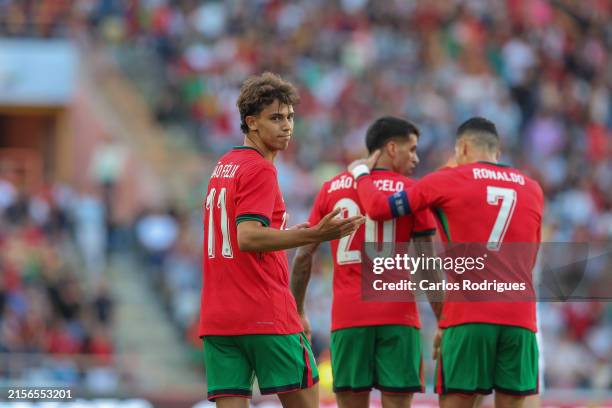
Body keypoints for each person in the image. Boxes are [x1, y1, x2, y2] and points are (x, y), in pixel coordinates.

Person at [348, 117, 544, 408]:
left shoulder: (447, 180)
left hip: (468, 316)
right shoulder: (532, 189)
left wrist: (362, 173)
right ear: (497, 153)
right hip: (520, 318)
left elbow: (378, 209)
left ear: (463, 148)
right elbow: (531, 257)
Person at [199, 72, 364, 408]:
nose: (287, 125)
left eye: (289, 117)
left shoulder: (224, 165)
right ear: (252, 123)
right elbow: (248, 237)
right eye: (275, 118)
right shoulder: (260, 169)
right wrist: (317, 233)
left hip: (218, 318)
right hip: (264, 311)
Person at [291, 117, 442, 408]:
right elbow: (427, 265)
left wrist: (297, 310)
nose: (416, 157)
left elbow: (303, 255)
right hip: (398, 316)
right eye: (411, 150)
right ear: (392, 148)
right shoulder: (412, 192)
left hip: (349, 317)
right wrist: (443, 320)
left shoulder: (331, 188)